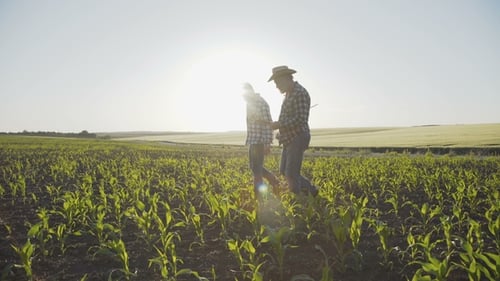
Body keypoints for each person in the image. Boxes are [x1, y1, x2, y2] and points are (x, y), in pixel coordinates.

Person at [268, 66, 319, 197]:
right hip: (289, 137)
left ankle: (296, 199)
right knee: (285, 171)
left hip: (297, 137)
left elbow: (301, 119)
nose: (277, 86)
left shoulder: (300, 93)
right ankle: (311, 191)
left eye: (278, 83)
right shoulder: (289, 94)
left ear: (286, 79)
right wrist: (280, 128)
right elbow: (290, 117)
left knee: (291, 173)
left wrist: (279, 124)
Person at [242, 82, 280, 201]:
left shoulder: (260, 103)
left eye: (244, 94)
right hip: (253, 140)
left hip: (260, 141)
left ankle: (258, 197)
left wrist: (267, 143)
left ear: (250, 92)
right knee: (254, 167)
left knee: (257, 170)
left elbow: (269, 123)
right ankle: (273, 180)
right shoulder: (250, 103)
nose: (243, 97)